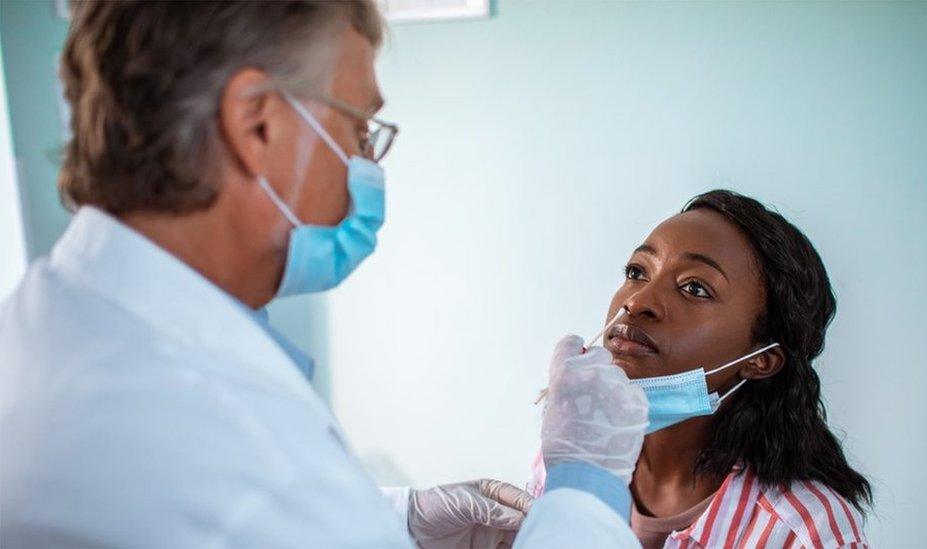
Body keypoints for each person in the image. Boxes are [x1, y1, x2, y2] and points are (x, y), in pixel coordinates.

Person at [0, 2, 649, 548]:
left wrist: (396, 517)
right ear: (257, 124)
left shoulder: (55, 319)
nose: (366, 167)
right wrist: (584, 490)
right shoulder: (227, 441)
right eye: (360, 130)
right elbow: (255, 500)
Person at [595, 190, 872, 547]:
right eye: (637, 272)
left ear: (761, 359)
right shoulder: (571, 454)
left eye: (694, 288)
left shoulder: (804, 534)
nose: (637, 302)